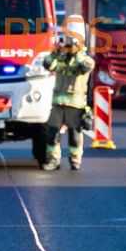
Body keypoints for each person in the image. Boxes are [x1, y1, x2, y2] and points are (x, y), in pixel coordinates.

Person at [40, 19, 95, 172]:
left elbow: (85, 67)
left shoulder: (85, 59)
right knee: (52, 133)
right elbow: (47, 64)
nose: (69, 45)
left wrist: (77, 52)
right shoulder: (60, 57)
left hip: (75, 102)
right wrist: (56, 51)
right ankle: (53, 160)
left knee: (74, 133)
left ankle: (75, 159)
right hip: (58, 102)